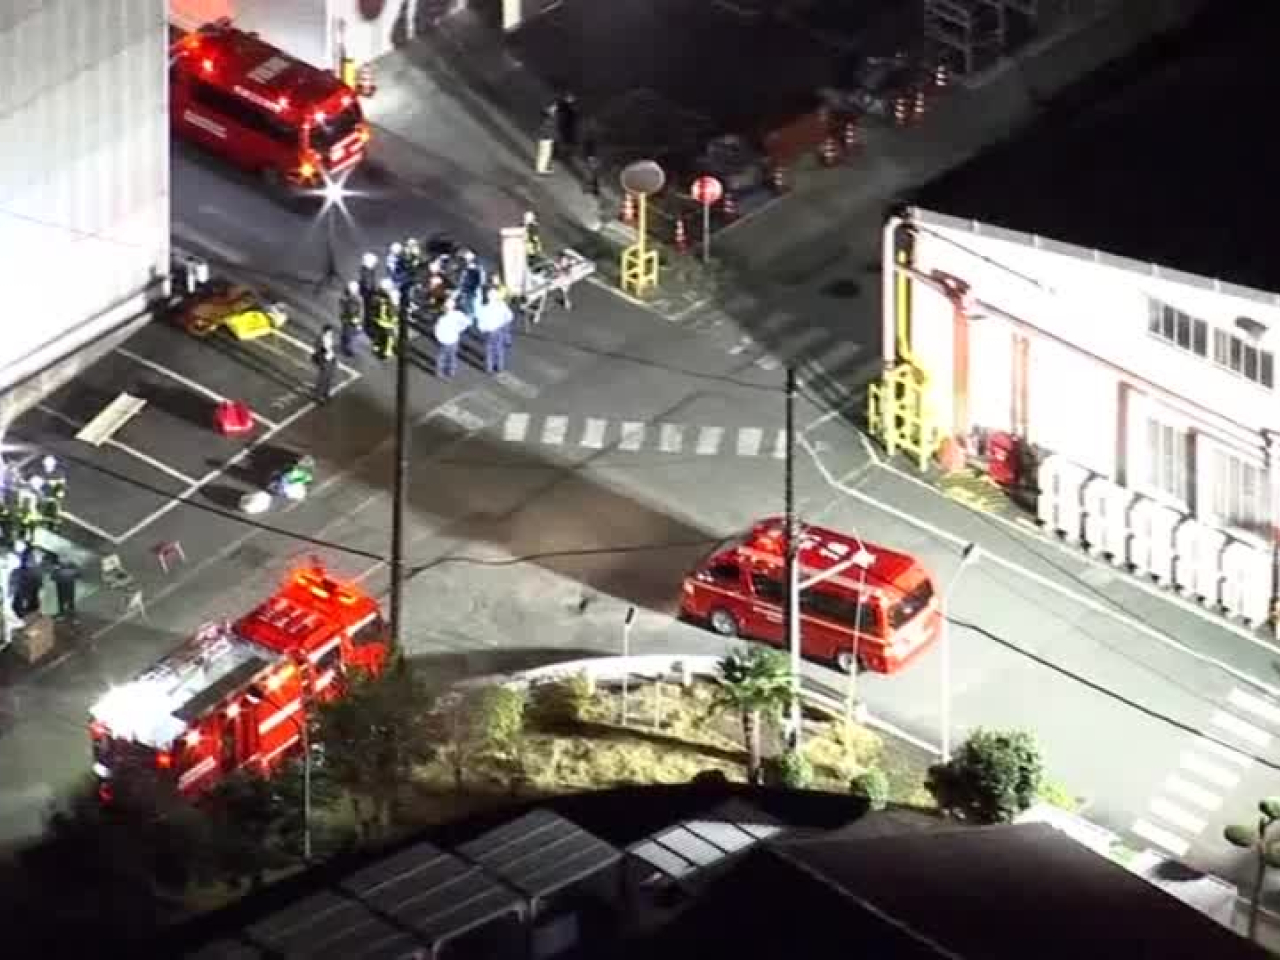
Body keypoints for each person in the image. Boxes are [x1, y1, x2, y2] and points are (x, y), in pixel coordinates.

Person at [434, 297, 467, 379]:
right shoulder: (458, 314)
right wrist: (459, 330)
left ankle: (440, 372)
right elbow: (465, 323)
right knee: (452, 357)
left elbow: (437, 331)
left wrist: (439, 339)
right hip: (453, 340)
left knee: (442, 357)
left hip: (445, 341)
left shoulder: (441, 319)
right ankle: (451, 371)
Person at [371, 280, 398, 360]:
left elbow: (373, 307)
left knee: (378, 335)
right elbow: (392, 314)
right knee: (390, 337)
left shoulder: (377, 298)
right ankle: (387, 351)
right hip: (387, 323)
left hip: (378, 320)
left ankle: (376, 346)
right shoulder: (390, 301)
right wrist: (395, 319)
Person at [311, 326, 338, 404]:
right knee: (322, 379)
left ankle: (326, 393)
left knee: (329, 378)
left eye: (331, 332)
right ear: (325, 331)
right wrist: (322, 360)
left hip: (331, 359)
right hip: (324, 360)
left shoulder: (329, 338)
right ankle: (318, 396)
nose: (331, 333)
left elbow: (330, 349)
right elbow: (318, 350)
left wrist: (333, 358)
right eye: (329, 332)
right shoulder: (321, 339)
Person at [338, 280, 365, 357]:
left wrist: (359, 321)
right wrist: (343, 316)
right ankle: (346, 346)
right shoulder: (345, 297)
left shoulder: (358, 299)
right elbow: (342, 307)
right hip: (347, 319)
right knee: (346, 333)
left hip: (353, 320)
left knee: (351, 335)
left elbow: (361, 311)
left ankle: (349, 348)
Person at [48, 553, 79, 619]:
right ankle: (70, 612)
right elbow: (77, 574)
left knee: (62, 600)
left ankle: (63, 613)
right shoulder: (72, 565)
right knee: (69, 599)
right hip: (68, 583)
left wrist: (56, 571)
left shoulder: (58, 567)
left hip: (62, 584)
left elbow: (52, 577)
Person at [535, 103, 556, 175]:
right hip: (545, 138)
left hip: (546, 138)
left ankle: (541, 168)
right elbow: (547, 129)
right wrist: (549, 137)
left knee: (545, 153)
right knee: (544, 153)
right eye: (553, 108)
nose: (555, 109)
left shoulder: (548, 117)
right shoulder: (548, 119)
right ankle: (541, 169)